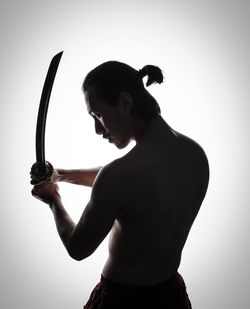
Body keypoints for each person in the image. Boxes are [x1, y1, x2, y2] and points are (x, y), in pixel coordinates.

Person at [31, 61, 209, 308]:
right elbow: (131, 187)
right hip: (172, 298)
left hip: (121, 302)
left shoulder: (121, 175)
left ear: (125, 103)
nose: (97, 129)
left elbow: (78, 248)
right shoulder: (195, 154)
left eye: (98, 115)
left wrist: (54, 199)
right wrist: (60, 174)